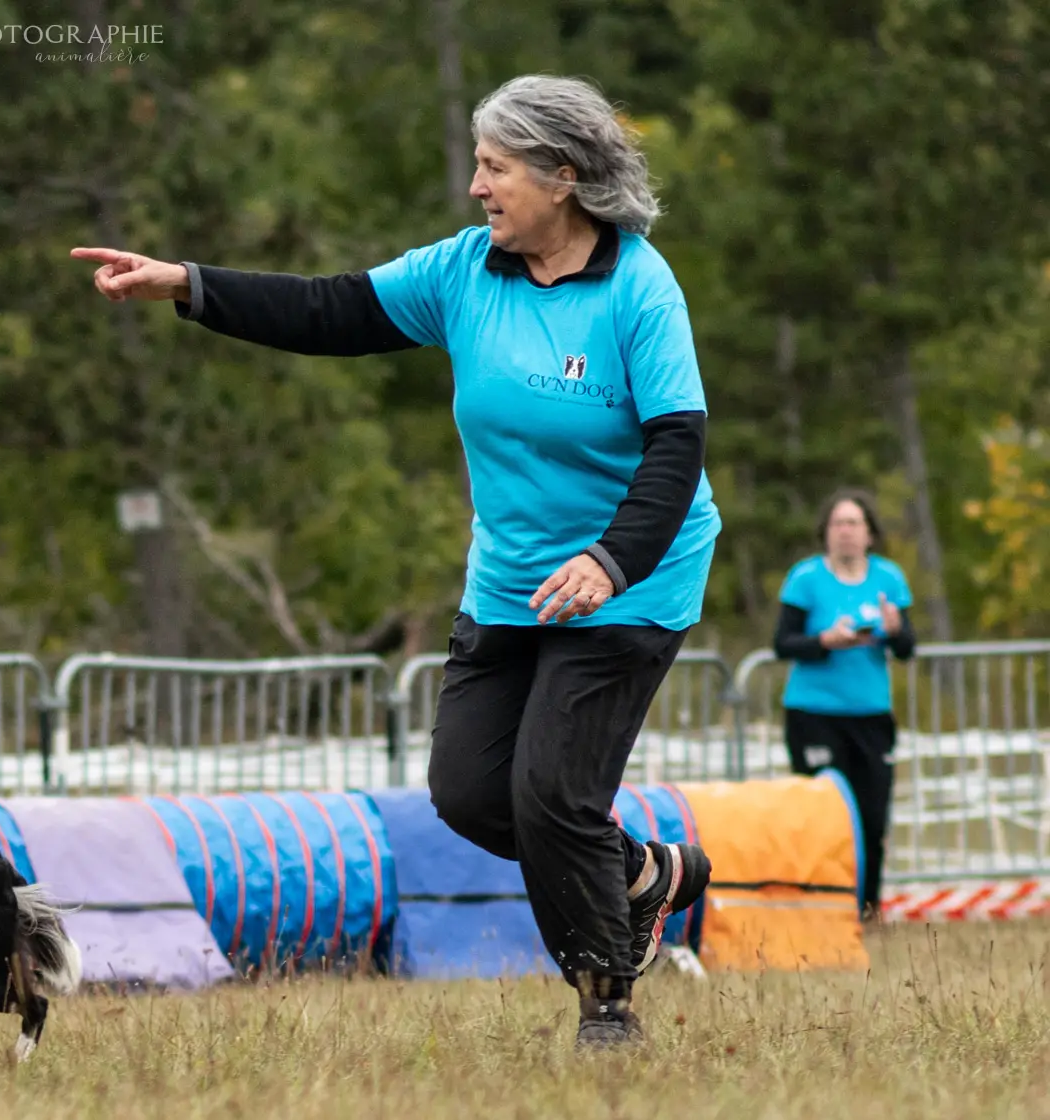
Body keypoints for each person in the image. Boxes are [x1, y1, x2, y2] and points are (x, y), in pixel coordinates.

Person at [73, 73, 717, 1049]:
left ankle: (605, 1004)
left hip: (633, 576)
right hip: (509, 580)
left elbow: (676, 443)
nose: (474, 186)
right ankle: (641, 872)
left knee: (552, 795)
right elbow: (331, 309)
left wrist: (611, 560)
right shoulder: (464, 271)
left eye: (494, 168)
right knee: (466, 791)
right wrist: (187, 284)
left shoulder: (636, 284)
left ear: (562, 177)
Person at [773, 491, 914, 921]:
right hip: (814, 713)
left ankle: (867, 911)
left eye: (855, 523)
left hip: (870, 714)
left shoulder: (889, 578)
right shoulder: (805, 579)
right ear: (826, 532)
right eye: (839, 523)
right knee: (823, 815)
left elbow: (907, 648)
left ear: (870, 533)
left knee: (872, 817)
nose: (847, 531)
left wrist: (893, 631)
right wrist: (824, 642)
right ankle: (820, 909)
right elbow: (782, 643)